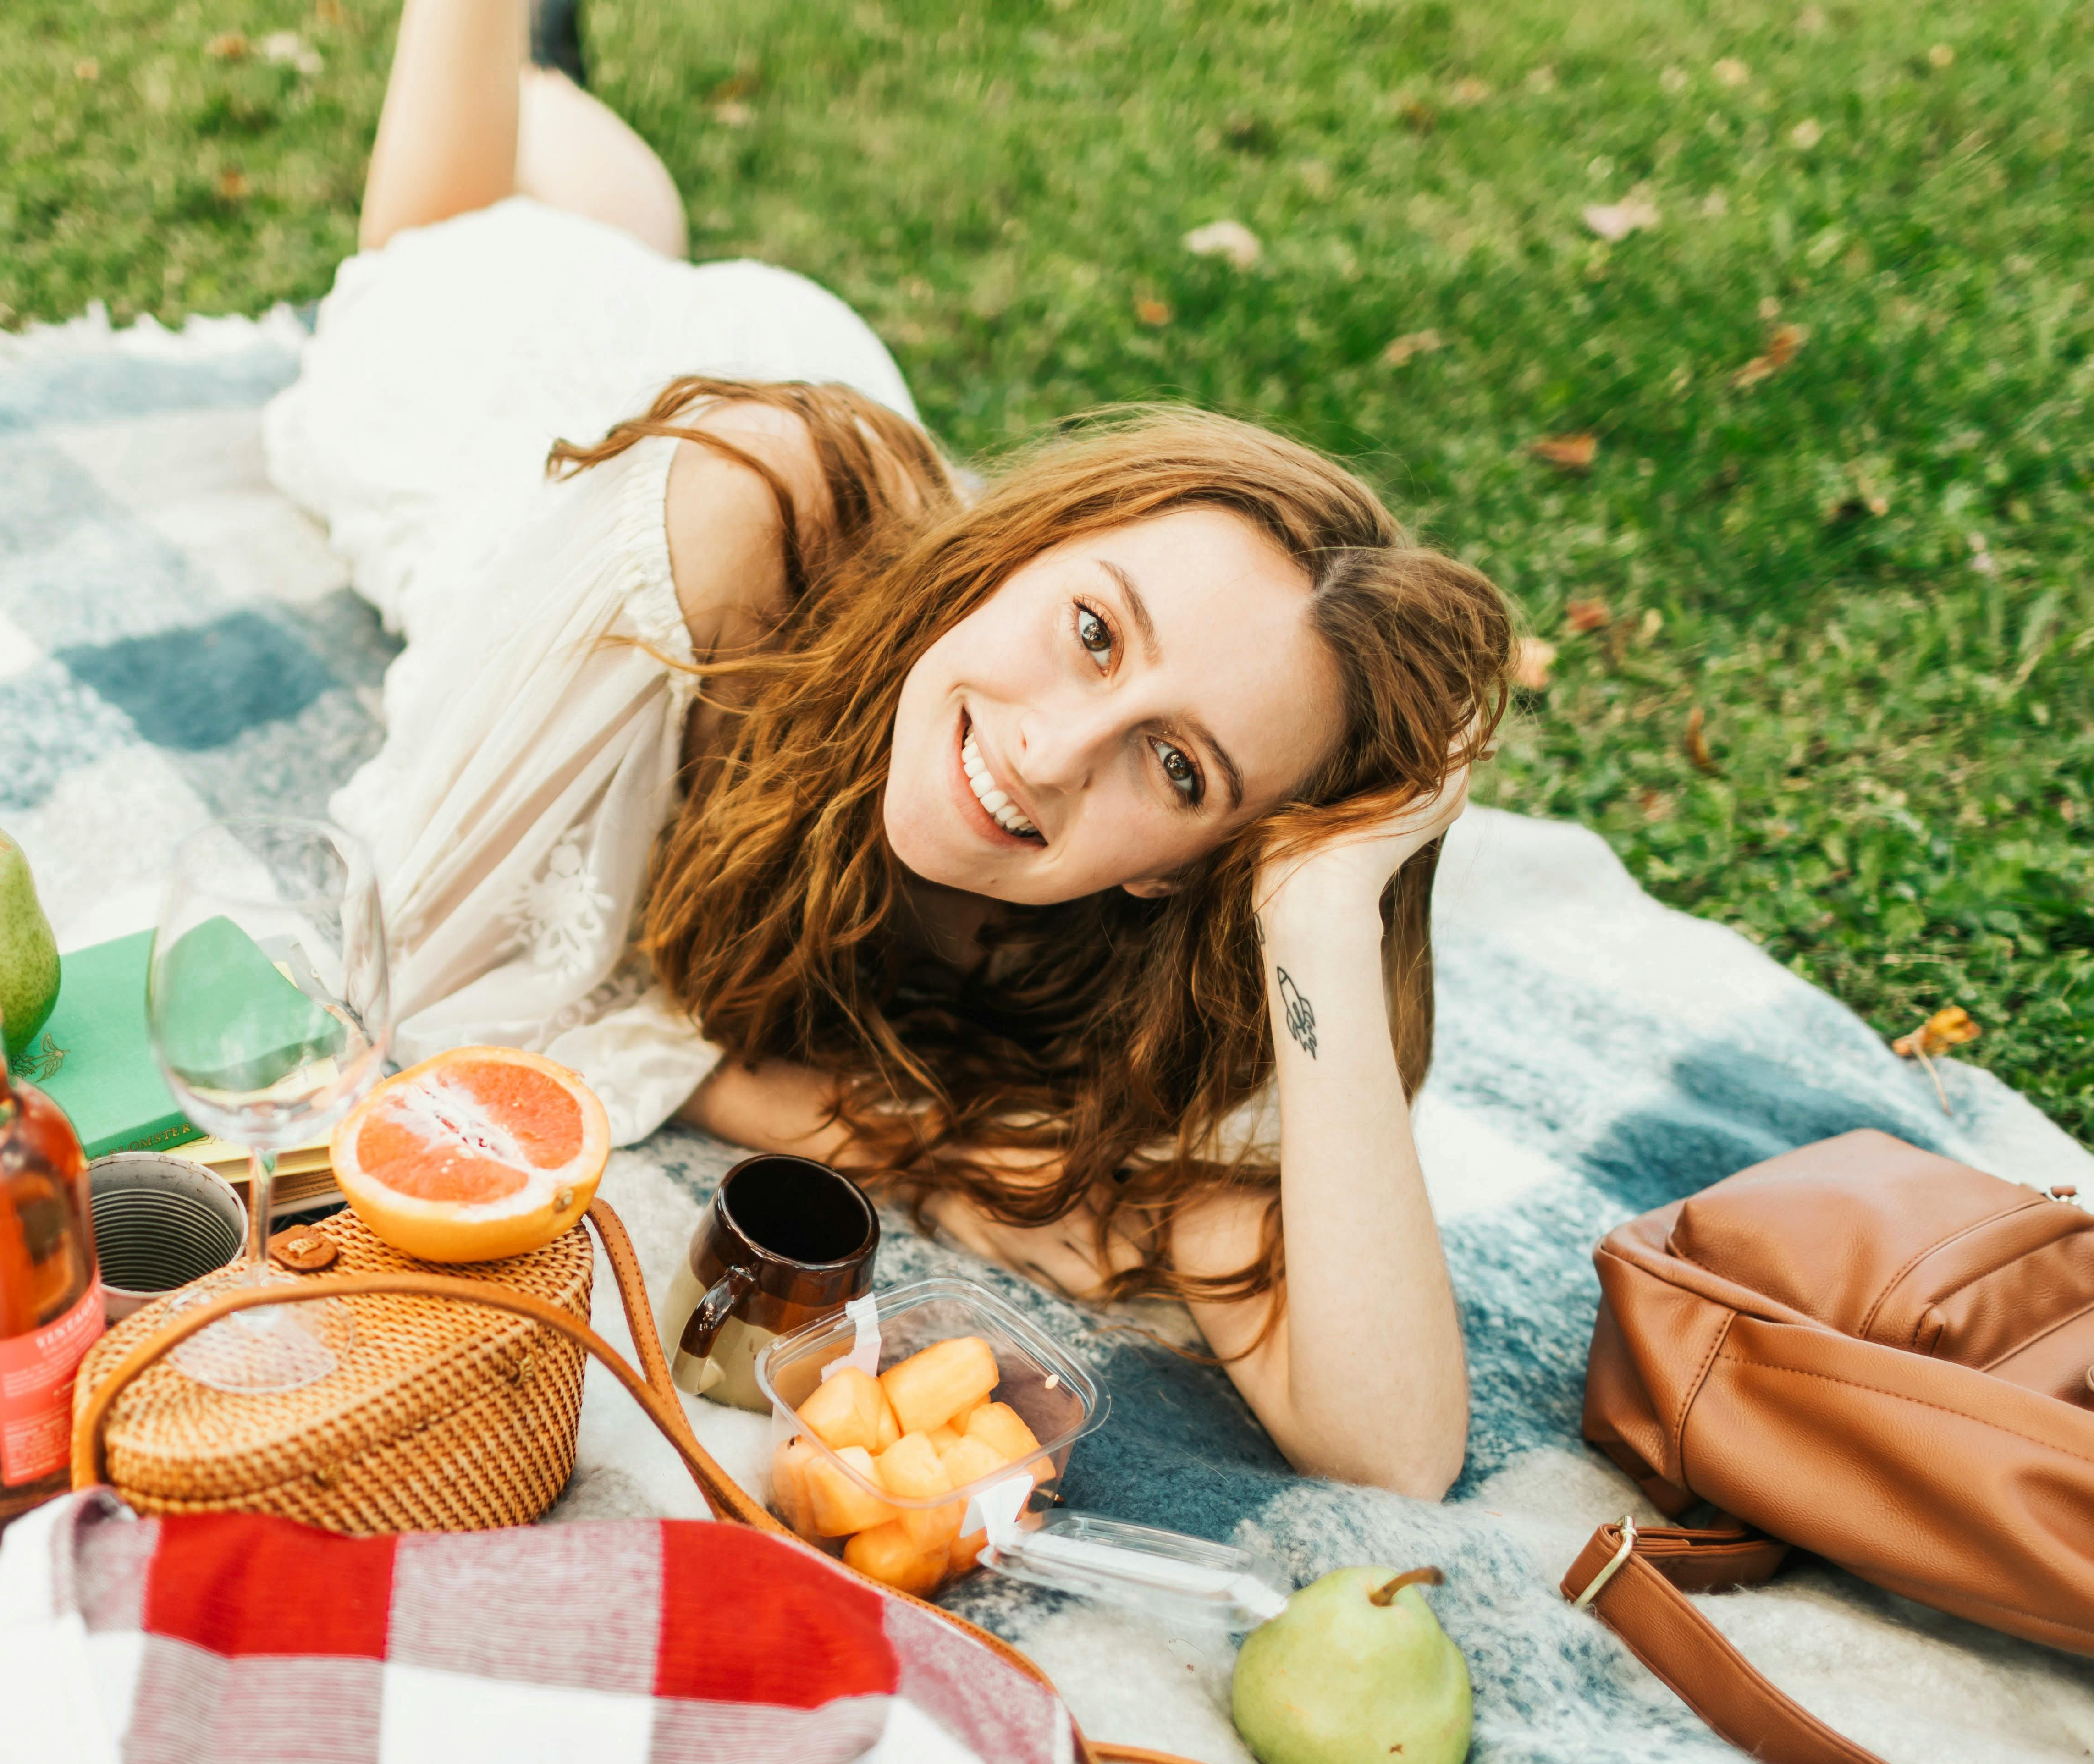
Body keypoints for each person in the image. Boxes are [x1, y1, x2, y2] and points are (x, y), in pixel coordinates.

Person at [260, 0, 1511, 1498]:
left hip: (743, 351)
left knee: (612, 201)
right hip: (521, 402)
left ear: (1202, 866)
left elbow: (1397, 1446)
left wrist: (1320, 916)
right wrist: (863, 1129)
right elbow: (412, 970)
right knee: (438, 249)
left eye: (1177, 771)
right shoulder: (733, 512)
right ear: (1024, 545)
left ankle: (548, 70)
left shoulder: (1165, 959)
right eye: (1095, 630)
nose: (1053, 753)